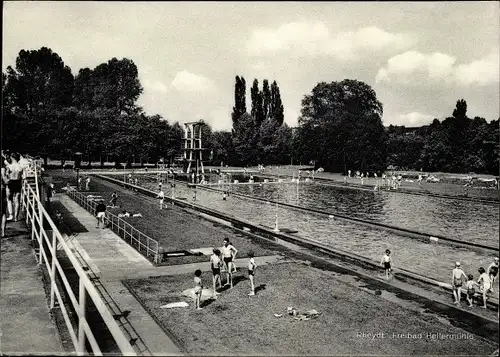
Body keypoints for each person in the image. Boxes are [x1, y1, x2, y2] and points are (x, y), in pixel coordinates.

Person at [7, 153, 23, 221]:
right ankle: (16, 217)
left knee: (9, 199)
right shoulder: (20, 167)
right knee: (17, 200)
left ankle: (11, 215)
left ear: (12, 158)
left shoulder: (9, 166)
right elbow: (22, 176)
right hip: (18, 182)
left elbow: (7, 176)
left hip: (11, 182)